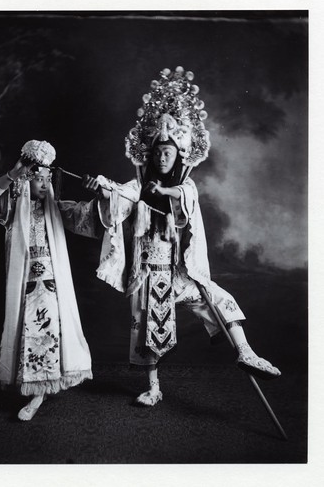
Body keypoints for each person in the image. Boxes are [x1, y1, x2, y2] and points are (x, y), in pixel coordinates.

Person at [82, 66, 281, 406]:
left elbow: (185, 198)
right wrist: (103, 190)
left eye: (169, 152)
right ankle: (154, 386)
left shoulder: (184, 186)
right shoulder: (137, 186)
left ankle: (245, 351)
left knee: (218, 299)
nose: (162, 156)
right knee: (147, 328)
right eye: (158, 151)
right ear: (150, 153)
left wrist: (166, 191)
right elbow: (119, 198)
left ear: (178, 155)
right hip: (147, 271)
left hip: (178, 272)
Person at [0, 140, 93, 420]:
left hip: (50, 282)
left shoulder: (55, 209)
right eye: (39, 179)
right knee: (26, 331)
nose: (45, 185)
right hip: (24, 282)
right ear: (26, 182)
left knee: (47, 332)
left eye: (48, 179)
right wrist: (14, 173)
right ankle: (32, 386)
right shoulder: (13, 210)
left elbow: (87, 215)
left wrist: (103, 194)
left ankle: (38, 394)